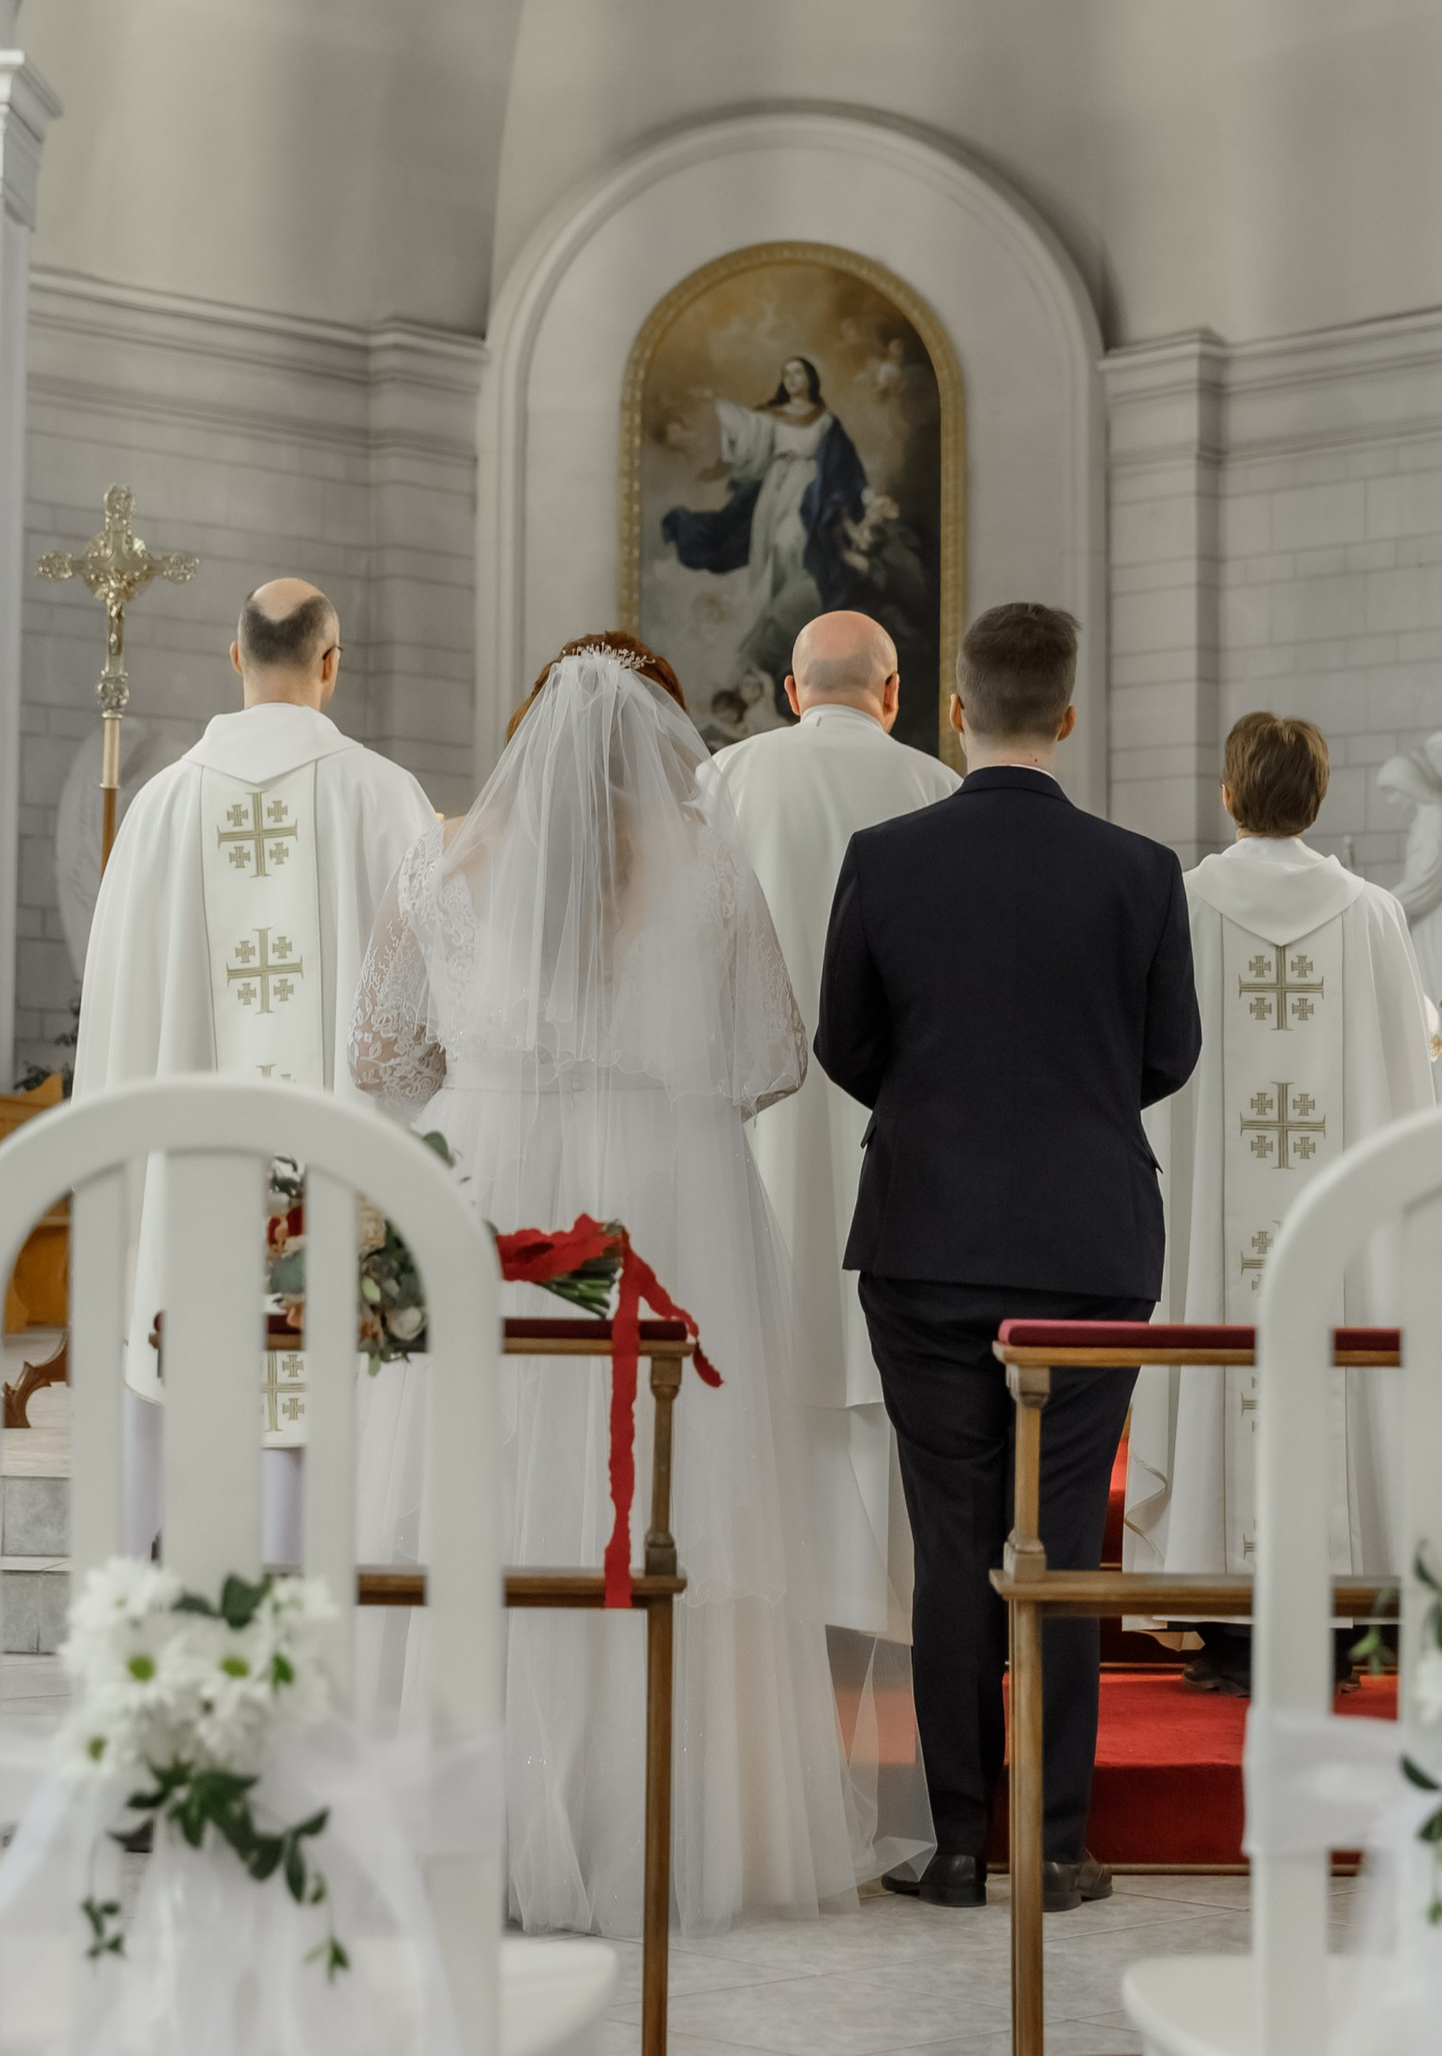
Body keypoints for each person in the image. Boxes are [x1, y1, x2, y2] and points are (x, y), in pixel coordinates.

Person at [350, 634, 858, 1936]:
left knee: (495, 1486)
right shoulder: (706, 862)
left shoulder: (447, 855)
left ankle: (473, 1822)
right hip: (663, 1195)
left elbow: (379, 1060)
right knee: (672, 1491)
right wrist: (650, 1086)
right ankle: (663, 1826)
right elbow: (773, 1060)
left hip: (491, 1184)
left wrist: (506, 1079)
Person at [815, 602, 1201, 1911]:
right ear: (1070, 718)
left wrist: (939, 1106)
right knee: (1064, 1554)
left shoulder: (887, 854)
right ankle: (1063, 1842)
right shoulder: (1143, 871)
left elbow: (843, 1045)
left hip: (927, 1238)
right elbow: (1169, 1056)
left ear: (955, 714)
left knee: (954, 1541)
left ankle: (966, 1839)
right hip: (1092, 1241)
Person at [75, 578, 438, 1555]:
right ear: (332, 663)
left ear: (235, 658)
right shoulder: (384, 800)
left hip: (186, 1176)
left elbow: (111, 1018)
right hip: (347, 1175)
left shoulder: (158, 809)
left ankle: (190, 1575)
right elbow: (432, 1004)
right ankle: (332, 1580)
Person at [704, 609, 954, 1871]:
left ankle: (759, 1649)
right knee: (871, 1405)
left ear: (792, 692)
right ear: (894, 692)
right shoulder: (937, 790)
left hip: (742, 1146)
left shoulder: (724, 779)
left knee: (762, 1374)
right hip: (890, 1153)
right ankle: (870, 1655)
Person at [1123, 710, 1436, 1687]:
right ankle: (1339, 1617)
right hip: (1340, 1233)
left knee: (1219, 1352)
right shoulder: (1374, 914)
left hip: (1215, 1226)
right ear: (1318, 798)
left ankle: (1220, 1622)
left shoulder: (1183, 903)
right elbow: (1408, 1064)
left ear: (1227, 794)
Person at [661, 354, 867, 683]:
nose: (791, 378)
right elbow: (746, 436)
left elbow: (842, 465)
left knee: (789, 541)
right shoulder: (772, 417)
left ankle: (788, 613)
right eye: (786, 373)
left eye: (797, 372)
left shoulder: (826, 421)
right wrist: (714, 406)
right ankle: (768, 613)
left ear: (810, 377)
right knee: (767, 546)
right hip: (774, 488)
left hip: (808, 487)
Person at [1379, 734, 1442, 1088]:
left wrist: (1378, 904)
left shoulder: (1437, 818)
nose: (1391, 800)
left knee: (1434, 1015)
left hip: (1436, 927)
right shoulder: (1425, 820)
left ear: (1410, 785)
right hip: (1420, 926)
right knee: (1420, 1019)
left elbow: (1429, 882)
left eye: (1392, 790)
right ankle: (1431, 1092)